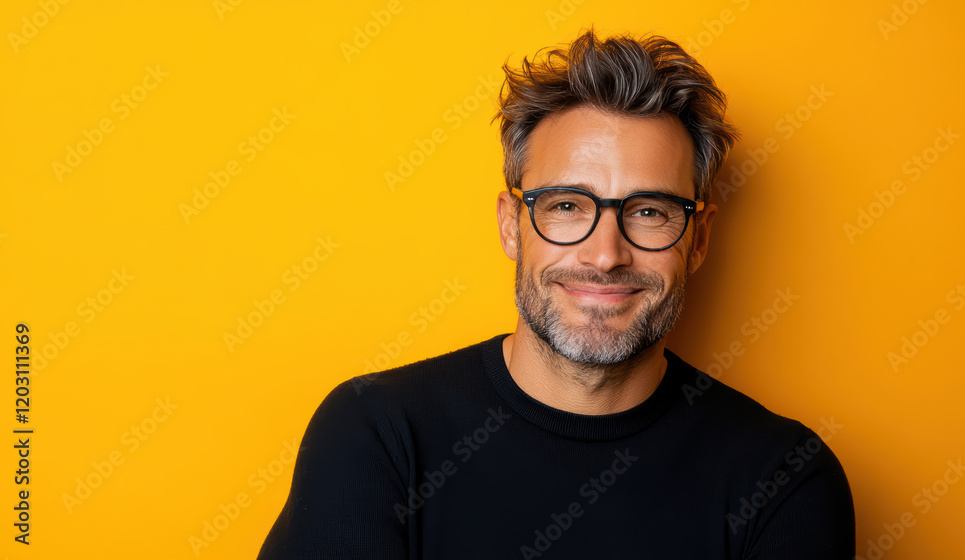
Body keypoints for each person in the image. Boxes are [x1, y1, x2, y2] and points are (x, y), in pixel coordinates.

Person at [257, 27, 855, 559]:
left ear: (698, 240)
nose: (605, 255)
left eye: (649, 211)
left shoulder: (782, 478)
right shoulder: (378, 435)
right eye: (567, 206)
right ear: (511, 225)